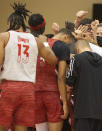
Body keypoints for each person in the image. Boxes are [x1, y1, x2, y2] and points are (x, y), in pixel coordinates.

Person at [0, 3, 57, 131]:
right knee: (22, 127)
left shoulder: (3, 36)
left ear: (9, 23)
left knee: (2, 125)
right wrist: (44, 45)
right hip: (28, 89)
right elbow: (52, 60)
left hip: (10, 86)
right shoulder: (35, 40)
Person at [66, 40, 102, 131]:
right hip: (101, 112)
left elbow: (69, 81)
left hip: (82, 111)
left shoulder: (76, 59)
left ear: (77, 49)